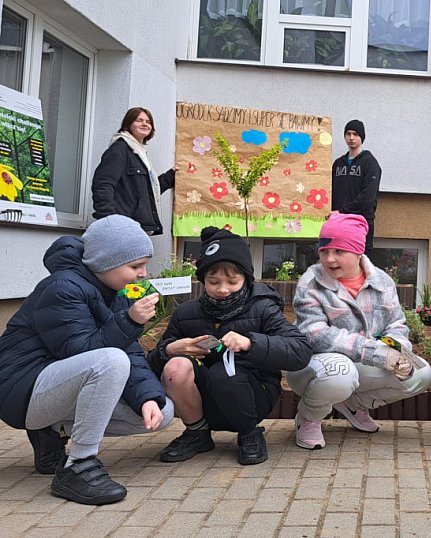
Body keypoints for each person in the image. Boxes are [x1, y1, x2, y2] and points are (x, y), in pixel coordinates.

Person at [0, 215, 174, 505]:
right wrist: (129, 321)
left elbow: (129, 352)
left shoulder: (114, 293)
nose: (143, 274)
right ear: (105, 263)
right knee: (110, 360)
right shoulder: (62, 288)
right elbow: (83, 352)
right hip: (20, 390)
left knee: (162, 412)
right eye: (135, 266)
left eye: (144, 264)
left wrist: (147, 398)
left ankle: (52, 431)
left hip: (56, 385)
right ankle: (78, 466)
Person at [148, 227, 312, 465]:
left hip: (252, 394)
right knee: (175, 367)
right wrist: (169, 350)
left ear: (246, 277)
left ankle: (249, 433)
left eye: (232, 281)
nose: (222, 289)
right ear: (203, 279)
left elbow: (300, 351)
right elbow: (150, 365)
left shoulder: (263, 308)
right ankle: (197, 433)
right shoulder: (186, 313)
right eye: (213, 281)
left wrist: (250, 343)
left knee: (224, 373)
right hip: (202, 398)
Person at [287, 214, 431, 449]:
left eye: (338, 251)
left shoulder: (382, 281)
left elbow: (396, 324)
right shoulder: (311, 282)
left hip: (359, 364)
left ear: (357, 251)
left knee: (420, 373)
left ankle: (354, 404)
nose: (329, 259)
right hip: (311, 366)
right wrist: (377, 353)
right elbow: (317, 336)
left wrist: (398, 352)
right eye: (324, 251)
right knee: (340, 371)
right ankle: (309, 417)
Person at [92, 107, 175, 235]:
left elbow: (147, 191)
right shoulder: (119, 149)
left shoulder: (139, 153)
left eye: (148, 122)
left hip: (136, 228)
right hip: (122, 228)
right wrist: (109, 220)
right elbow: (103, 184)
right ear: (128, 124)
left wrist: (172, 175)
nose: (144, 124)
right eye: (139, 120)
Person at [330, 119, 382, 254]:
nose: (351, 138)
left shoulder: (370, 164)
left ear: (362, 137)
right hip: (338, 223)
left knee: (360, 264)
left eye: (355, 134)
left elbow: (367, 197)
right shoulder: (338, 164)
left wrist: (343, 211)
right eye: (348, 134)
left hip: (360, 223)